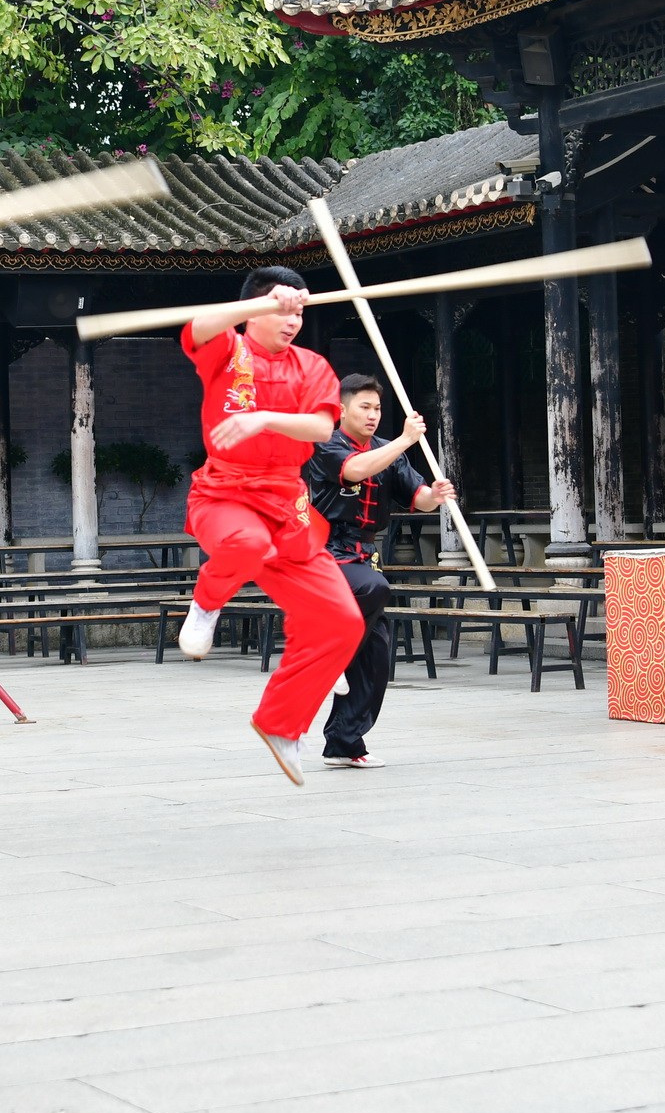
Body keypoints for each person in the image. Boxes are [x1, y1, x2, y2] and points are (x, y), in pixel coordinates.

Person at [174, 266, 364, 785]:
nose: (293, 320)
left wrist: (262, 419)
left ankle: (282, 725)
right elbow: (201, 325)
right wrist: (264, 302)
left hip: (286, 500)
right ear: (256, 309)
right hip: (225, 493)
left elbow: (322, 426)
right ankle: (206, 605)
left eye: (300, 312)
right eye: (284, 310)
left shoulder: (312, 366)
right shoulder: (226, 350)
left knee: (342, 623)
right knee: (245, 542)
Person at [305, 373, 456, 769]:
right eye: (364, 407)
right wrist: (406, 440)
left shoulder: (390, 450)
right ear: (341, 409)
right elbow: (354, 471)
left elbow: (418, 499)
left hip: (365, 554)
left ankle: (343, 741)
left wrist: (436, 496)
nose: (373, 415)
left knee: (375, 657)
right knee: (375, 588)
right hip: (325, 553)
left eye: (377, 408)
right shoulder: (326, 444)